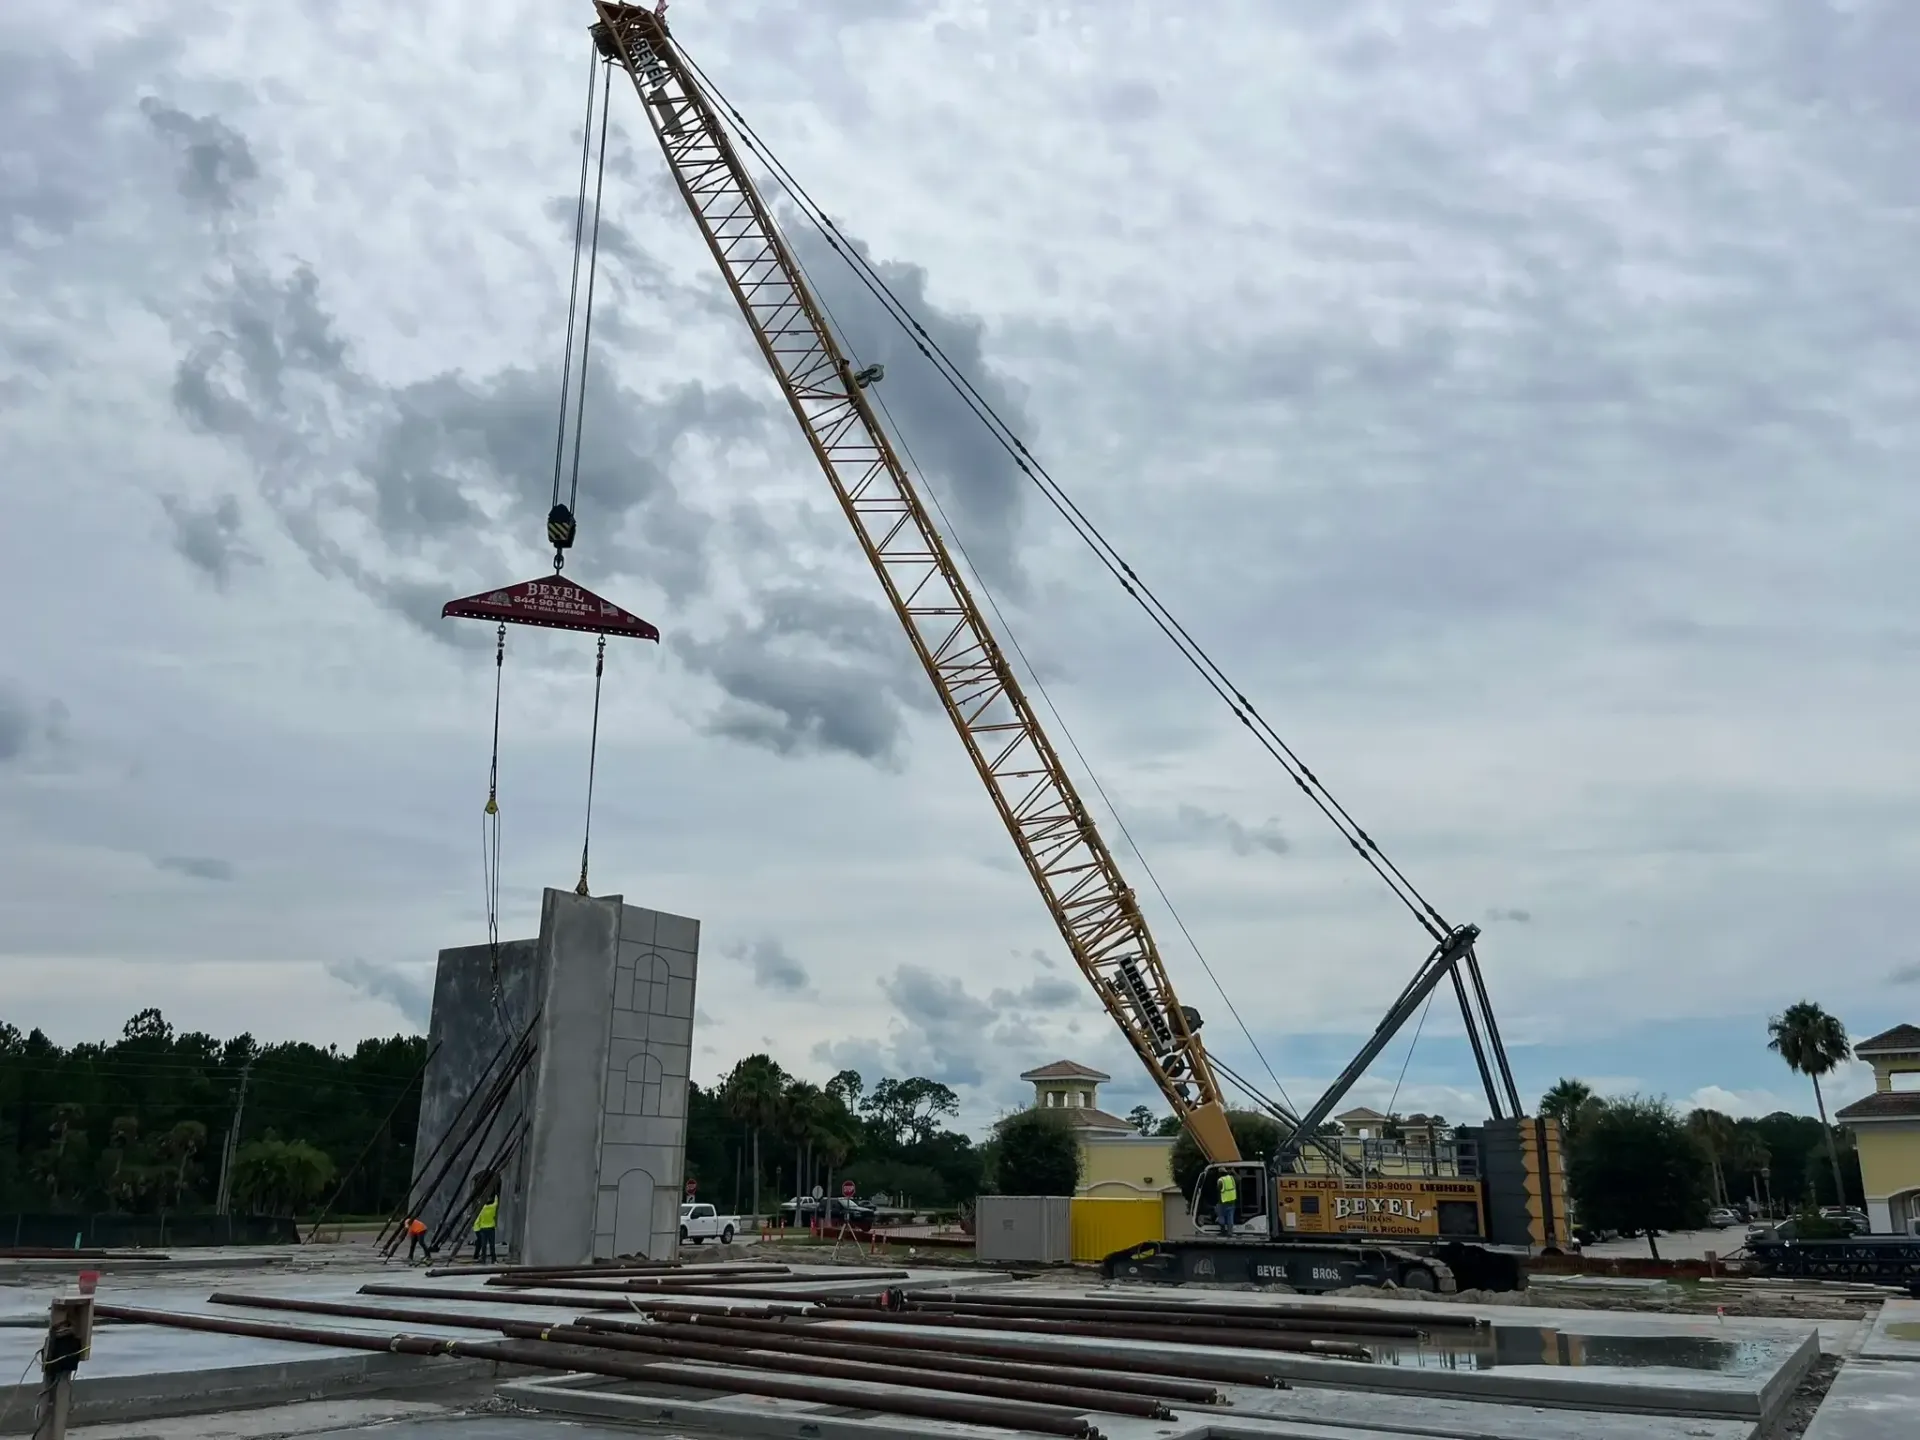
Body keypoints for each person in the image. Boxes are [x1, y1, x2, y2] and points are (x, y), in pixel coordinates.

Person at [472, 1195, 499, 1263]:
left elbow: (478, 1218)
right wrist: (496, 1196)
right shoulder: (493, 1207)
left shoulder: (482, 1209)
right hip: (491, 1228)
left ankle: (483, 1259)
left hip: (483, 1229)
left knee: (484, 1245)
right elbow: (496, 1203)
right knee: (492, 1245)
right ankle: (494, 1259)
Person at [1215, 1170, 1238, 1236]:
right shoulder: (1232, 1178)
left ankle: (1223, 1232)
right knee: (1230, 1218)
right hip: (1232, 1202)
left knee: (1221, 1216)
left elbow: (1218, 1189)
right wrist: (1234, 1172)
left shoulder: (1220, 1180)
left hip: (1223, 1203)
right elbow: (1239, 1178)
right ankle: (1230, 1233)